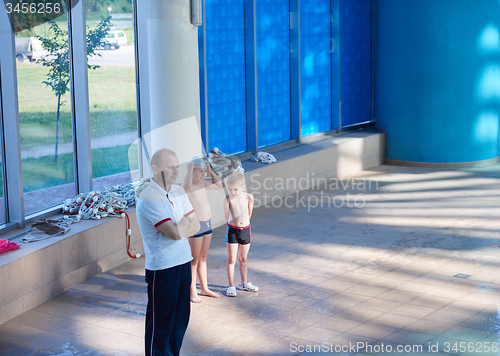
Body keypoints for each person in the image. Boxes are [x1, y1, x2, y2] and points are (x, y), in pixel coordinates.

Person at [136, 148, 200, 356]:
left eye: (177, 166)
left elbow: (197, 224)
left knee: (179, 322)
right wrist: (183, 223)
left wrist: (181, 225)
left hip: (183, 263)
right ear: (155, 169)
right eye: (169, 167)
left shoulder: (178, 191)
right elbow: (173, 233)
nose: (175, 171)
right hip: (163, 270)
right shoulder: (149, 198)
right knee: (161, 326)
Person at [182, 157, 223, 303]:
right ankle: (192, 291)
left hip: (207, 224)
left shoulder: (204, 183)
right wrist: (189, 168)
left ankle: (204, 288)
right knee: (194, 260)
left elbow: (220, 185)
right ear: (191, 170)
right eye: (200, 171)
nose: (202, 175)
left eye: (204, 172)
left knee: (203, 258)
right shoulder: (188, 185)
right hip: (195, 226)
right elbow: (186, 187)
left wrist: (211, 172)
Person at [223, 171, 259, 297]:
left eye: (235, 190)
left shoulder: (249, 197)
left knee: (243, 259)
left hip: (245, 230)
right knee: (231, 258)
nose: (232, 192)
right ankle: (231, 285)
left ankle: (244, 283)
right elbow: (226, 216)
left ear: (243, 187)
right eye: (230, 189)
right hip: (232, 230)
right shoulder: (227, 198)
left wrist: (243, 225)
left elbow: (249, 214)